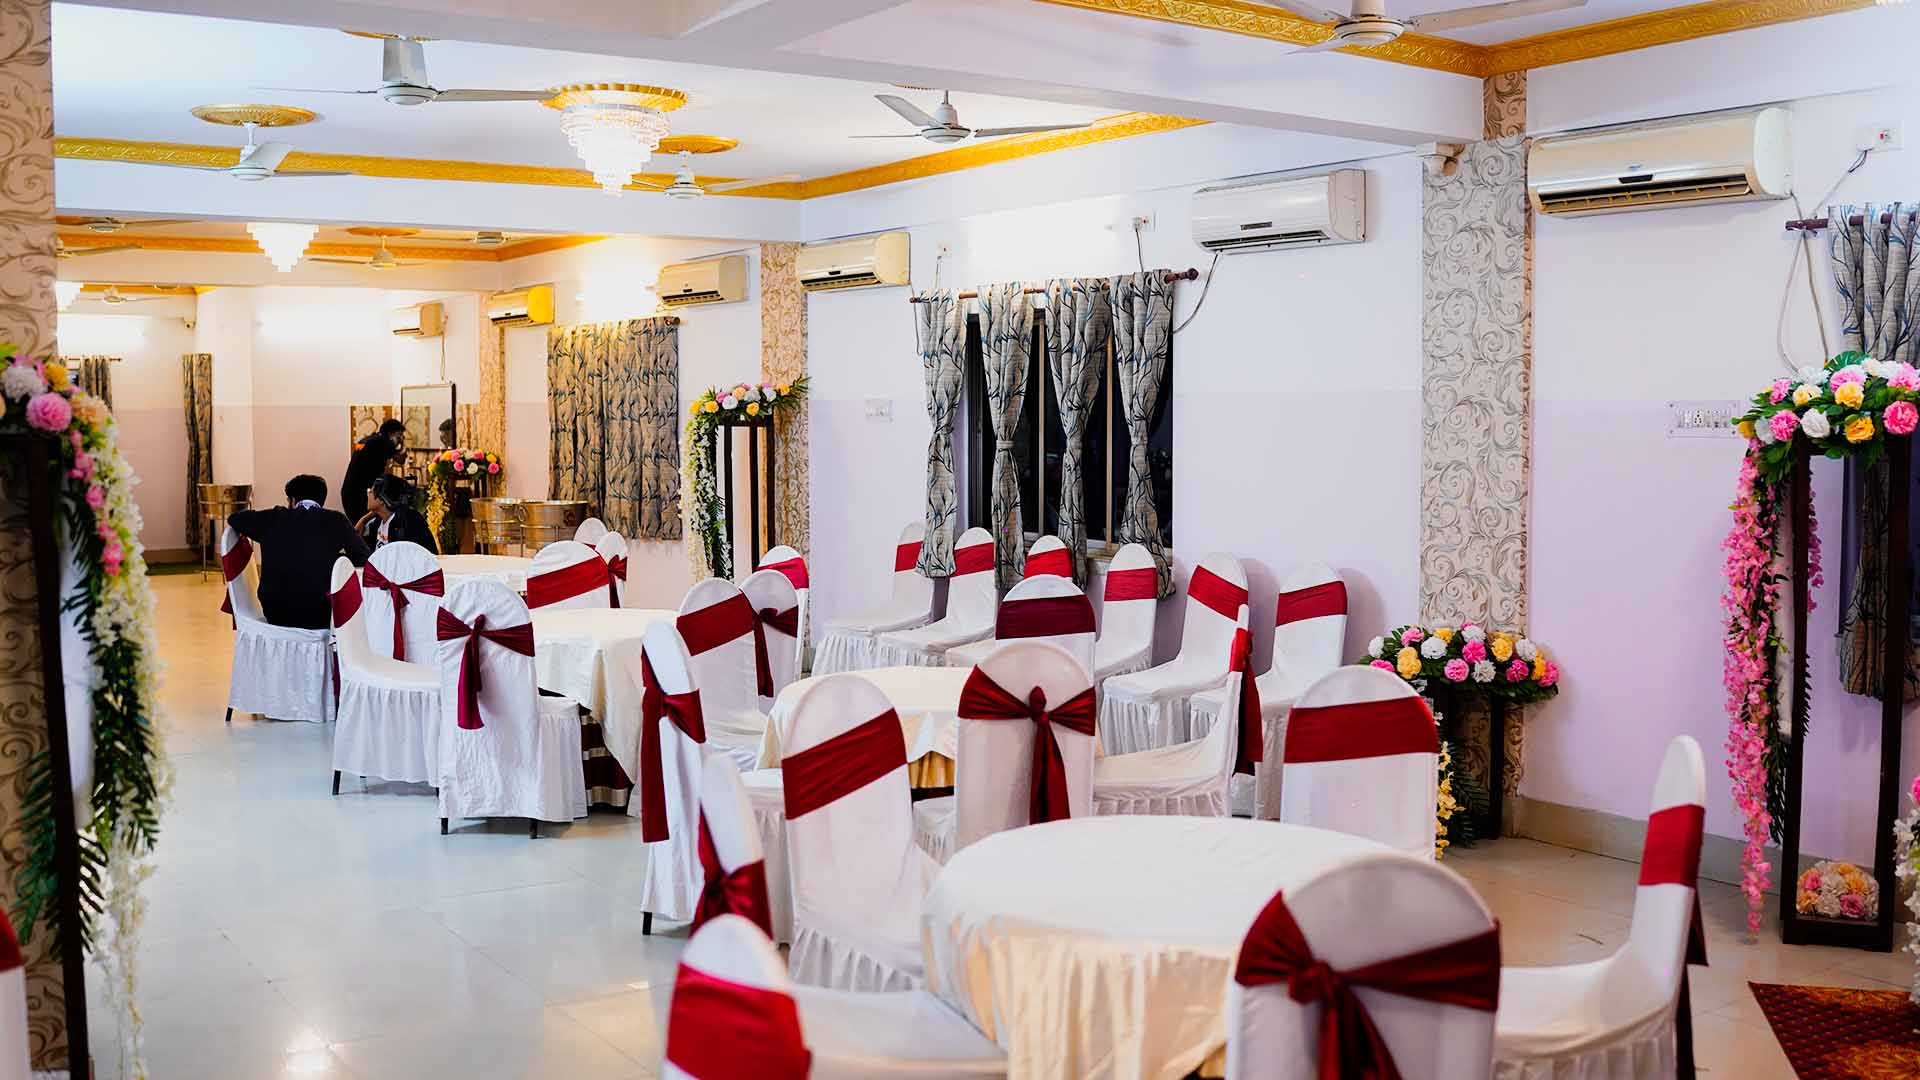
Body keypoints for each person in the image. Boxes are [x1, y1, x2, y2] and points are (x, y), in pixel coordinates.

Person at [228, 474, 371, 630]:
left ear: (292, 500)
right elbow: (364, 558)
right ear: (322, 501)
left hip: (276, 612)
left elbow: (235, 519)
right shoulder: (337, 520)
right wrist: (335, 558)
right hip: (320, 614)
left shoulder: (273, 518)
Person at [342, 418, 407, 522]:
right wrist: (403, 446)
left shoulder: (370, 439)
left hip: (349, 492)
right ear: (391, 433)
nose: (400, 439)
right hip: (359, 495)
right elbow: (401, 459)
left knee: (359, 525)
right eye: (399, 435)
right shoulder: (383, 442)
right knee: (364, 526)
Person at [357, 474, 439, 554]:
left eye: (371, 491)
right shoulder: (377, 522)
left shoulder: (408, 522)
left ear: (382, 499)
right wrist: (364, 520)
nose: (368, 493)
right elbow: (357, 547)